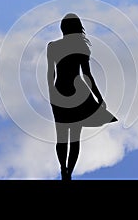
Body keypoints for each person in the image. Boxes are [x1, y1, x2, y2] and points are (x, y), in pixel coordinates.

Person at [47, 13, 117, 181]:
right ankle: (68, 173)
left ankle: (63, 169)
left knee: (61, 135)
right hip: (78, 92)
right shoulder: (82, 48)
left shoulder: (53, 46)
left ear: (63, 28)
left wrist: (52, 93)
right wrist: (99, 98)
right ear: (78, 28)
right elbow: (87, 76)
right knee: (75, 136)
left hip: (59, 91)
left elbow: (51, 74)